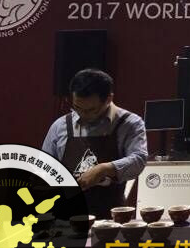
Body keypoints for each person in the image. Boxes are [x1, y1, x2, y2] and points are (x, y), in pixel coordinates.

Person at [41, 69, 148, 219]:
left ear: (109, 99)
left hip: (111, 217)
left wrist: (103, 169)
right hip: (67, 217)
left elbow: (139, 159)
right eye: (77, 108)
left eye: (91, 110)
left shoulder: (129, 124)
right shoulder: (60, 126)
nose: (83, 115)